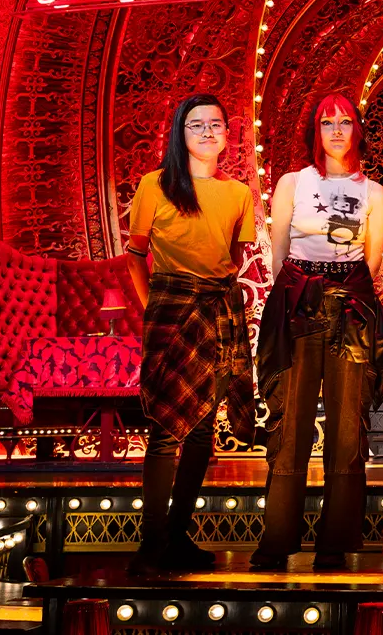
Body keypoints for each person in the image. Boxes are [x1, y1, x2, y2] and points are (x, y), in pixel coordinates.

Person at [251, 94, 383, 571]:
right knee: (289, 422)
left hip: (351, 303)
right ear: (315, 130)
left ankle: (335, 544)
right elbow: (277, 251)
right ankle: (277, 541)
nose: (336, 130)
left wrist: (340, 286)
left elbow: (372, 259)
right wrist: (300, 288)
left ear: (358, 130)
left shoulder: (373, 192)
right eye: (326, 122)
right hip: (298, 300)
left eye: (345, 122)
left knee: (346, 426)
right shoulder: (294, 182)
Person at [124, 93, 257, 576]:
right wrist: (151, 306)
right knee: (164, 431)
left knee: (203, 428)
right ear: (180, 134)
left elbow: (233, 260)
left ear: (228, 134)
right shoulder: (154, 185)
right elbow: (136, 255)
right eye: (195, 125)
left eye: (215, 124)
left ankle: (176, 535)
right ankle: (151, 543)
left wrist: (213, 294)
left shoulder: (238, 194)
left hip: (218, 309)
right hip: (170, 307)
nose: (206, 132)